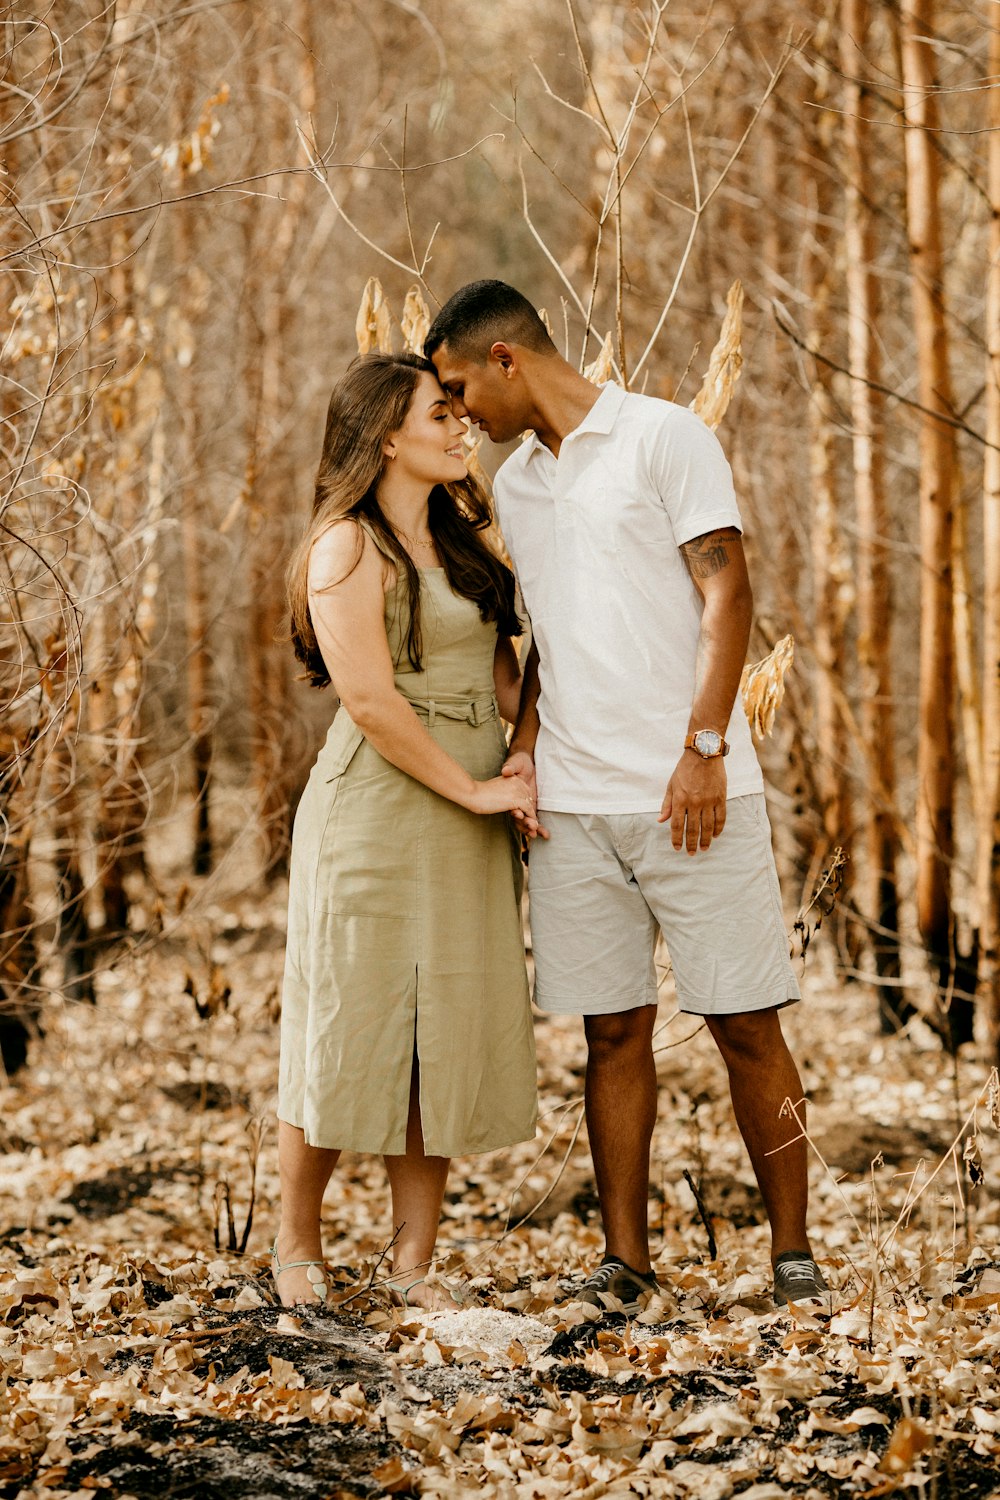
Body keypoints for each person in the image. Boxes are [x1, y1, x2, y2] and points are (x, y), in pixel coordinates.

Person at [425, 281, 827, 1312]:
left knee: (743, 1022)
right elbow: (548, 646)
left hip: (693, 794)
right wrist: (523, 755)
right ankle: (625, 1261)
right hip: (572, 803)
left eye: (462, 386)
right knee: (611, 1032)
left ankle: (793, 1256)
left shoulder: (665, 436)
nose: (461, 411)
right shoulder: (515, 485)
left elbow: (727, 589)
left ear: (507, 357)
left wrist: (701, 747)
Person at [272, 350, 539, 1311]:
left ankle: (412, 1263)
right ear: (387, 434)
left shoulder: (467, 547)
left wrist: (520, 756)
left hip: (471, 802)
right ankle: (294, 1244)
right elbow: (374, 703)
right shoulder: (345, 545)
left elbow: (505, 677)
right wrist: (470, 795)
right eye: (441, 412)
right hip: (377, 809)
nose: (462, 423)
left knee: (441, 1031)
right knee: (351, 1019)